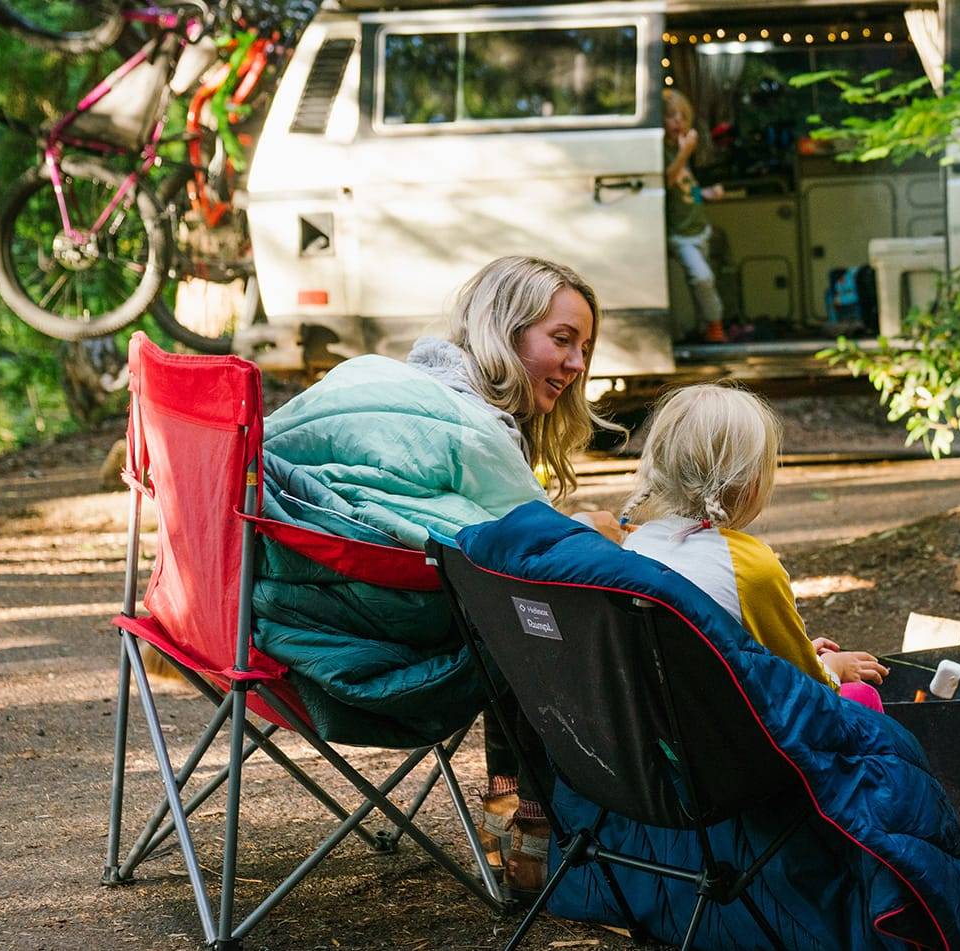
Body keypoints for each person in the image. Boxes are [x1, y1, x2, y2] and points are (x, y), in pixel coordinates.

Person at [256, 255, 624, 898]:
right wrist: (597, 534)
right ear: (504, 332)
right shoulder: (475, 430)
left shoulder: (373, 377)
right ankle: (539, 833)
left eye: (584, 348)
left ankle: (511, 817)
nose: (576, 365)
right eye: (561, 340)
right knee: (542, 610)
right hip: (360, 633)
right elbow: (526, 557)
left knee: (514, 589)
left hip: (250, 612)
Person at [616, 384, 888, 706]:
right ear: (751, 482)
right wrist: (831, 667)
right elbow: (806, 683)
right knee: (863, 696)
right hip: (742, 737)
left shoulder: (633, 544)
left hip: (666, 725)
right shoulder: (749, 565)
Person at [663, 88, 728, 345]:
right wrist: (684, 153)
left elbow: (687, 189)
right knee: (702, 277)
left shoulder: (683, 149)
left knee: (701, 281)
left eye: (683, 116)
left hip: (698, 228)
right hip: (679, 233)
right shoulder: (669, 151)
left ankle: (706, 325)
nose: (678, 121)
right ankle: (715, 325)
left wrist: (707, 193)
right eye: (671, 116)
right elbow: (665, 181)